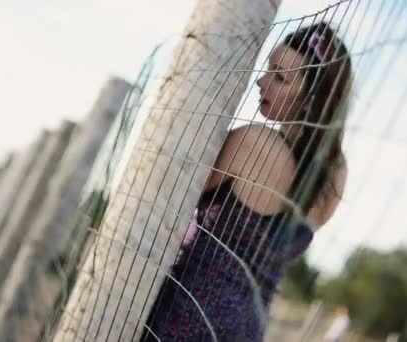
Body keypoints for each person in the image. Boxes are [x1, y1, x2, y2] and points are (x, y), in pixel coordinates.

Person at [143, 21, 352, 341]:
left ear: (311, 100)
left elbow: (172, 185)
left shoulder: (253, 144)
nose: (261, 82)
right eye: (268, 69)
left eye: (280, 78)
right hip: (248, 328)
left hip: (190, 317)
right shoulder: (334, 174)